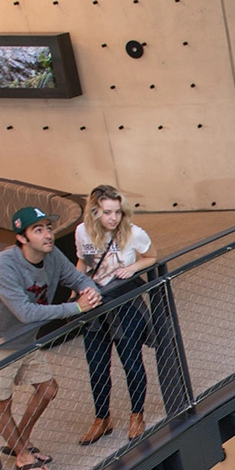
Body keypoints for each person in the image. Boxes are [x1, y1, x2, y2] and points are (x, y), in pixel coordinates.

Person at [0, 206, 102, 470]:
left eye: (48, 228)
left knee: (48, 389)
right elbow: (25, 312)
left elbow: (77, 277)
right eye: (38, 230)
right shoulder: (4, 266)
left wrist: (92, 292)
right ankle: (23, 455)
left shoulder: (51, 256)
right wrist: (75, 308)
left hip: (25, 339)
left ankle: (20, 442)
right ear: (22, 238)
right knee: (1, 403)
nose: (48, 235)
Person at [74, 185, 155, 445]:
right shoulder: (82, 232)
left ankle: (136, 415)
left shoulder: (133, 234)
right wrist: (79, 287)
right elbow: (85, 263)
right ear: (95, 212)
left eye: (117, 212)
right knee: (97, 366)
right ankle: (102, 418)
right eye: (107, 212)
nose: (113, 218)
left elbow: (152, 257)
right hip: (96, 305)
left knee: (131, 362)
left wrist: (132, 267)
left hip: (124, 304)